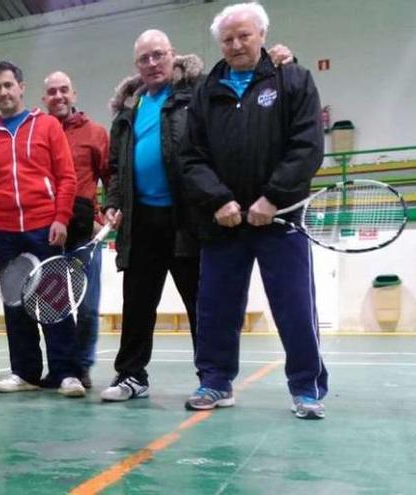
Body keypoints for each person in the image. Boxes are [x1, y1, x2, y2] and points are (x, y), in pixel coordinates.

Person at [101, 29, 294, 403]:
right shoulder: (129, 109)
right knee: (137, 304)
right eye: (144, 58)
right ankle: (131, 376)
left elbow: (245, 82)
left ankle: (212, 378)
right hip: (141, 222)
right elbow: (115, 166)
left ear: (173, 55)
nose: (153, 64)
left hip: (188, 219)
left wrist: (280, 62)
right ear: (136, 66)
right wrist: (113, 200)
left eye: (159, 55)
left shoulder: (201, 91)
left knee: (201, 304)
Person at [181, 2, 327, 419]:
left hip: (279, 220)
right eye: (227, 39)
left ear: (262, 35)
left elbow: (307, 146)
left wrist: (272, 198)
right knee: (215, 309)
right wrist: (219, 201)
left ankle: (307, 389)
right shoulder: (206, 91)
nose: (236, 44)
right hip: (223, 223)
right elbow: (191, 157)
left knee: (296, 308)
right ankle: (214, 382)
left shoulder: (293, 79)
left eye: (244, 35)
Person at [0, 61, 85, 397]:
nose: (4, 92)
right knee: (15, 305)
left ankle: (67, 372)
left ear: (21, 87)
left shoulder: (48, 126)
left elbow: (67, 178)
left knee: (54, 303)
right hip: (5, 235)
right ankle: (25, 372)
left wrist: (61, 217)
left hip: (44, 229)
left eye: (9, 85)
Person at [40, 71, 110, 389]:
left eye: (64, 90)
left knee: (88, 305)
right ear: (44, 99)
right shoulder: (37, 133)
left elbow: (112, 178)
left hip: (84, 233)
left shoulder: (96, 134)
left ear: (74, 94)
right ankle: (61, 368)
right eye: (52, 91)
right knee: (53, 305)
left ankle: (81, 367)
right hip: (48, 231)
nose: (58, 96)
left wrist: (107, 214)